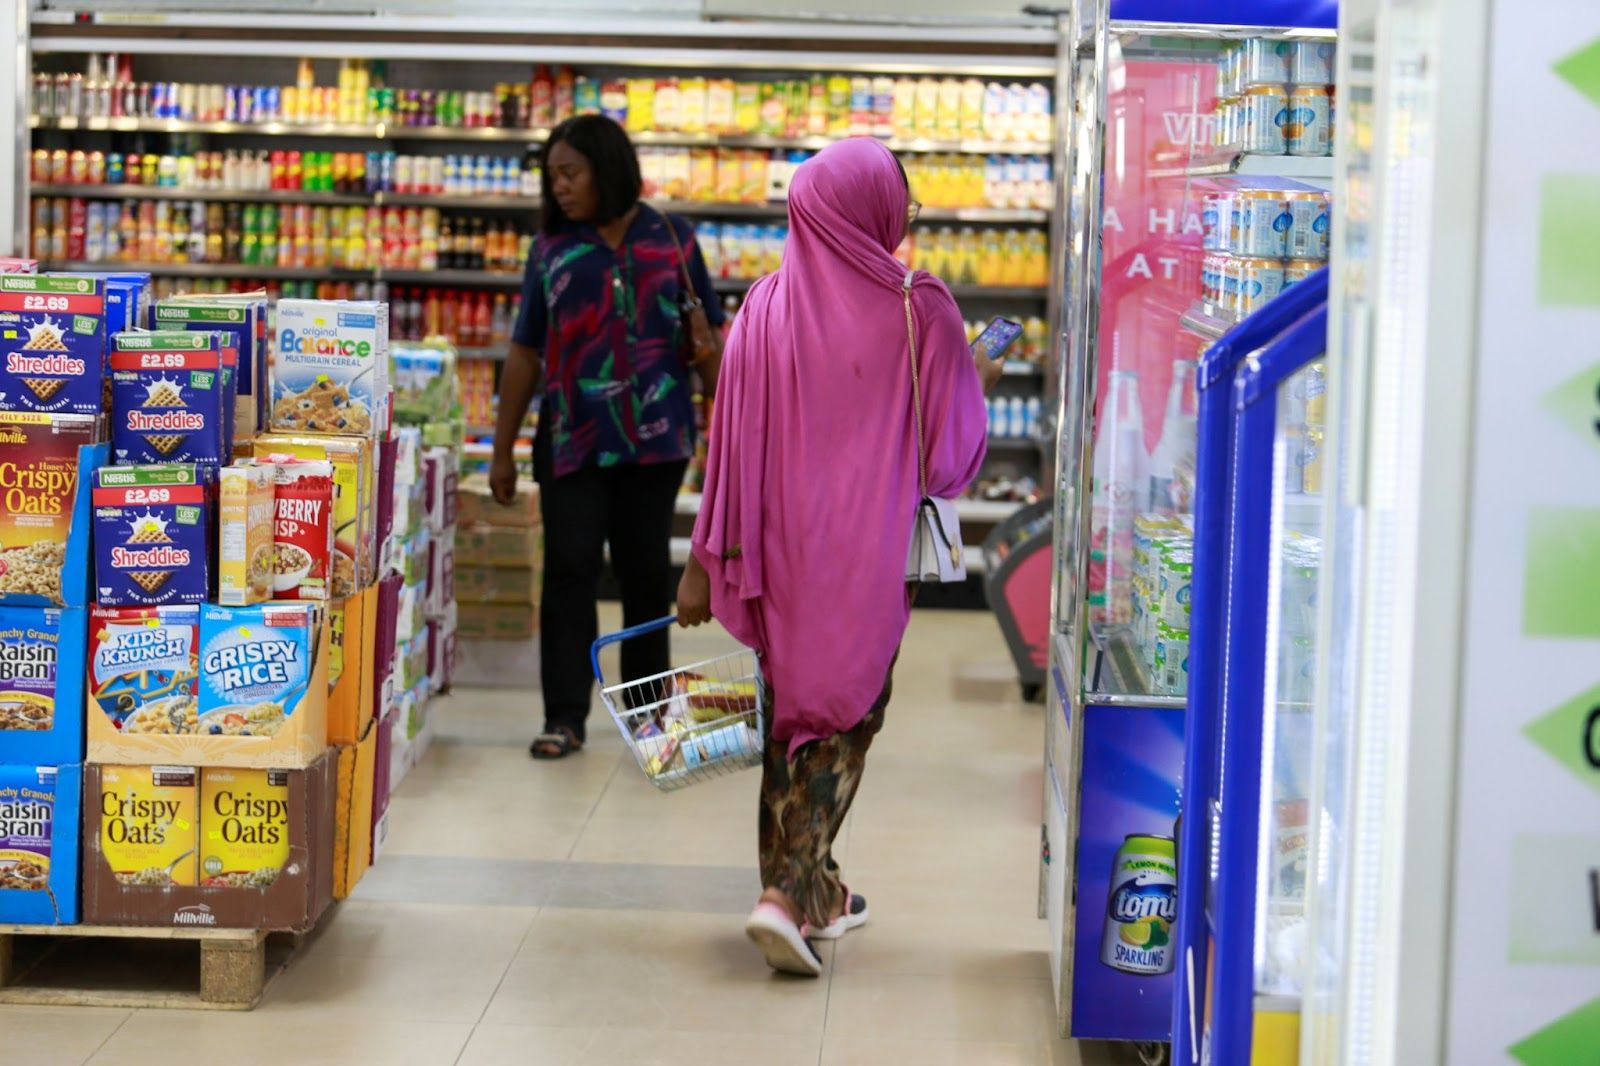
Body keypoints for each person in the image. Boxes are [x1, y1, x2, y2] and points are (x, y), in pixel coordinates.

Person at [676, 138, 1004, 976]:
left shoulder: (762, 307)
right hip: (866, 553)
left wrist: (704, 558)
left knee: (792, 710)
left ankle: (816, 893)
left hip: (777, 548)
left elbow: (727, 449)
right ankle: (783, 897)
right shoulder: (916, 306)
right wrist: (974, 374)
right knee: (846, 717)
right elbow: (948, 458)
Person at [490, 114, 725, 760]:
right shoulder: (551, 250)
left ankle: (650, 718)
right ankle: (564, 716)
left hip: (657, 441)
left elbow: (709, 343)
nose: (560, 187)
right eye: (552, 176)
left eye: (571, 172)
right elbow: (523, 351)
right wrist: (503, 446)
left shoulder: (672, 239)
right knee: (570, 568)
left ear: (606, 168)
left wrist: (730, 435)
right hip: (572, 438)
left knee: (647, 574)